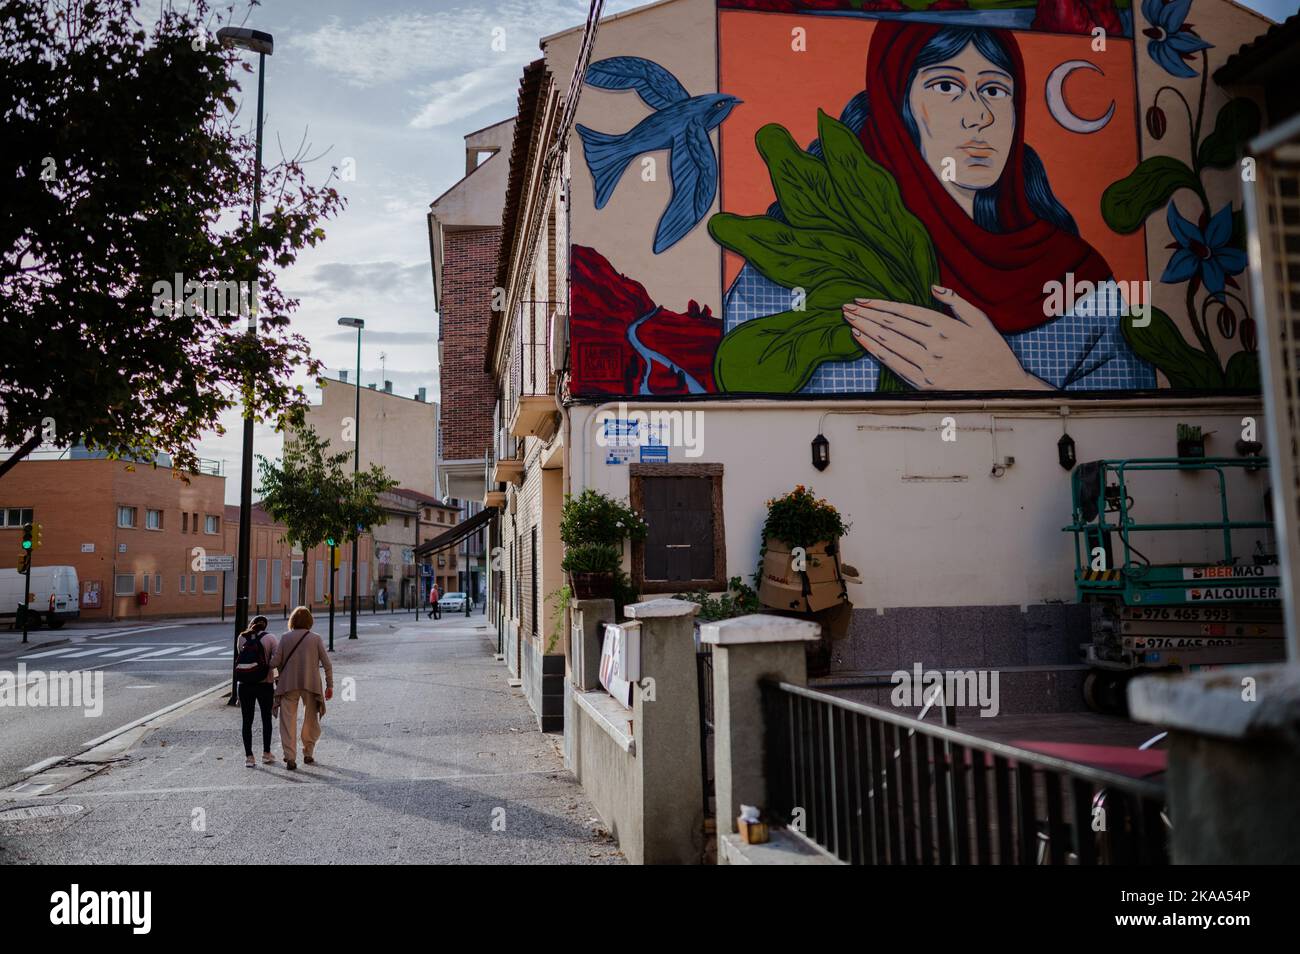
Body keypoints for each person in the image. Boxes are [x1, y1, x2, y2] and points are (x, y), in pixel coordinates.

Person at [724, 22, 1154, 393]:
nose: (979, 116)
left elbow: (1125, 438)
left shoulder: (1075, 277)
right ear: (898, 107)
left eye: (994, 89)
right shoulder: (803, 252)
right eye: (946, 86)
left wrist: (1009, 383)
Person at [271, 606, 333, 771]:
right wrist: (330, 685)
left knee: (287, 721)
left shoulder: (285, 638)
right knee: (311, 719)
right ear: (309, 621)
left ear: (292, 621)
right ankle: (308, 752)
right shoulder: (315, 638)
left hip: (288, 685)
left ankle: (290, 756)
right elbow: (327, 664)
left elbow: (274, 662)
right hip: (311, 685)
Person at [235, 615, 277, 768]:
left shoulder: (242, 637)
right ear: (265, 626)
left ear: (251, 624)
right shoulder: (270, 638)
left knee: (247, 720)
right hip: (264, 684)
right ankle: (266, 753)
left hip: (245, 684)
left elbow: (241, 655)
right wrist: (268, 667)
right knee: (266, 718)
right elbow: (278, 658)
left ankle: (249, 757)